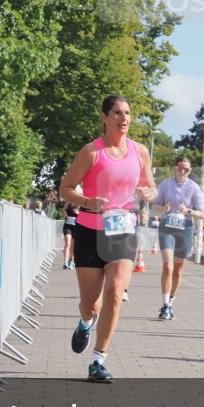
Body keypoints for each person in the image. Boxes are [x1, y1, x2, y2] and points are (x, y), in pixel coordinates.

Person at [59, 96, 156, 383]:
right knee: (91, 304)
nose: (123, 118)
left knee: (115, 294)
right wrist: (87, 200)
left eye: (127, 113)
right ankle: (85, 323)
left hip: (122, 231)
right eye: (116, 113)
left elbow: (149, 185)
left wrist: (150, 193)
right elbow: (65, 188)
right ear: (104, 116)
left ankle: (98, 361)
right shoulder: (91, 152)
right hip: (89, 232)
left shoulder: (140, 152)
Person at [151, 156, 204, 320]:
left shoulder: (195, 188)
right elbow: (153, 206)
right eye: (181, 168)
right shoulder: (165, 184)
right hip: (167, 226)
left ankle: (171, 303)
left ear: (190, 171)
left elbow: (202, 214)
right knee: (167, 266)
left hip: (185, 228)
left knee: (178, 270)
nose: (183, 171)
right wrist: (162, 207)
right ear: (175, 168)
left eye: (187, 169)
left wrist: (188, 211)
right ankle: (165, 304)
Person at [61, 200, 79, 269]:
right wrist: (64, 215)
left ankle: (71, 261)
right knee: (67, 243)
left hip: (76, 226)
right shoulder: (68, 202)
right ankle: (65, 262)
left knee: (73, 245)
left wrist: (78, 213)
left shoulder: (80, 203)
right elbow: (63, 210)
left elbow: (84, 215)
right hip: (67, 225)